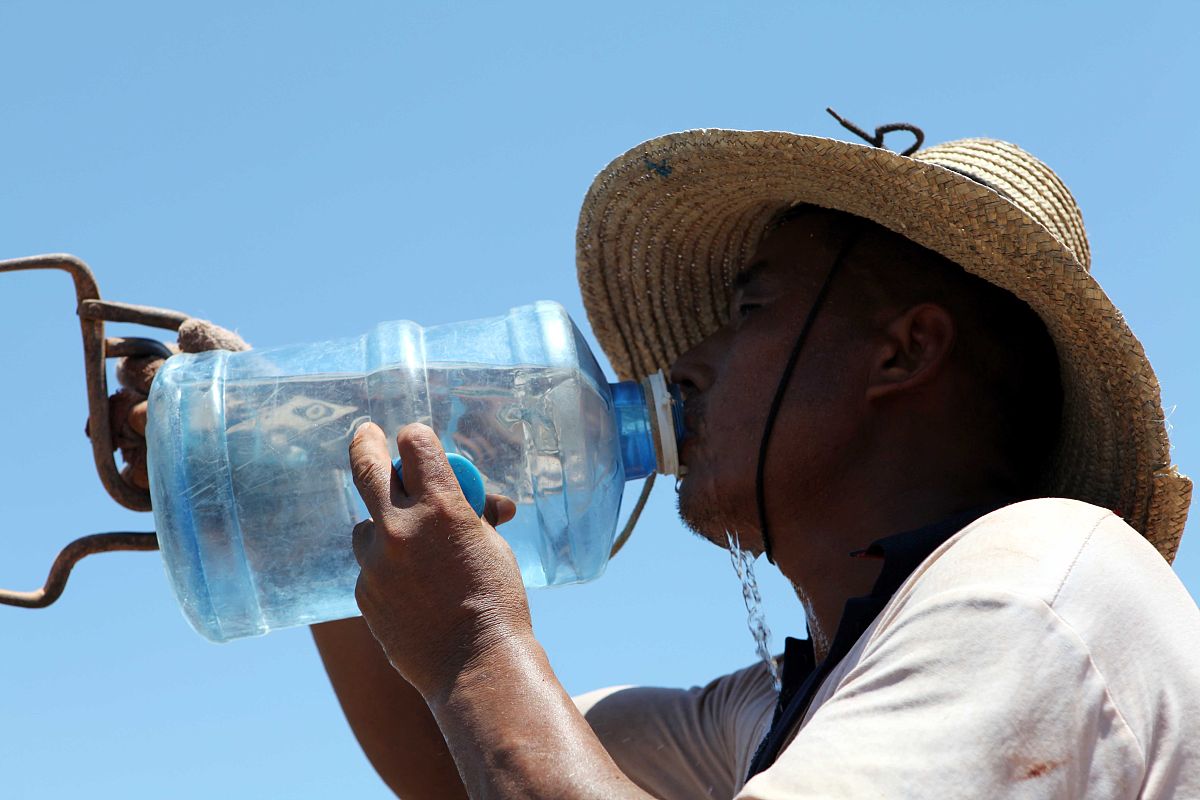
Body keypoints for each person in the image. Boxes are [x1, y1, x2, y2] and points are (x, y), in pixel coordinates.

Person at [118, 116, 1199, 798]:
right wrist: (294, 464)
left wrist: (479, 648)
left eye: (750, 307)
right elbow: (463, 762)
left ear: (902, 351)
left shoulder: (1034, 586)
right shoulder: (779, 704)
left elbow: (483, 701)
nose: (687, 359)